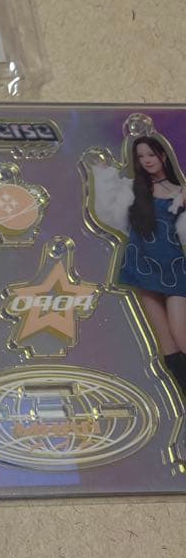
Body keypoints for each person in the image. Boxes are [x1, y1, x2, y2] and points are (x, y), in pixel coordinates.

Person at [92, 136, 186, 392]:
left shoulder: (180, 190)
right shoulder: (133, 190)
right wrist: (102, 173)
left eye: (151, 155)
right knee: (167, 344)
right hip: (142, 265)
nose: (146, 161)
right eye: (141, 157)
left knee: (181, 335)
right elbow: (107, 213)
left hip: (174, 268)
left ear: (163, 155)